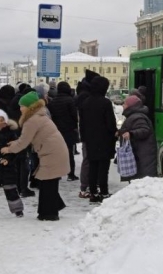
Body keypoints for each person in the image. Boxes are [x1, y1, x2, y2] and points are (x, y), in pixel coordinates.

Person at [2, 91, 70, 220]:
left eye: (22, 106)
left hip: (52, 154)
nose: (20, 108)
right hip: (53, 152)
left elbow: (23, 142)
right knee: (47, 182)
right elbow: (25, 139)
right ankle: (54, 206)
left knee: (47, 182)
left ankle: (49, 214)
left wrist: (9, 149)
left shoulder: (32, 120)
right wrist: (15, 143)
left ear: (29, 107)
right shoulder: (38, 116)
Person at [78, 75, 117, 204]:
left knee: (93, 166)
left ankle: (93, 192)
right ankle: (104, 192)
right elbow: (110, 123)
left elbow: (82, 123)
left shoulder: (85, 102)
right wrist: (114, 133)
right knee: (103, 168)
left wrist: (84, 137)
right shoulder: (105, 103)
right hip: (104, 139)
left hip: (90, 139)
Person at [119, 94, 159, 179]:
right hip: (140, 153)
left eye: (125, 104)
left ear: (131, 106)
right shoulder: (134, 116)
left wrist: (131, 134)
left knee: (142, 180)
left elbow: (144, 130)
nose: (123, 105)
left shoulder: (137, 116)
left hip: (142, 155)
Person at [47, 81, 80, 181]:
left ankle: (58, 173)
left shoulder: (53, 101)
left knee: (57, 152)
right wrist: (75, 125)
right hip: (69, 129)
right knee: (69, 152)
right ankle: (71, 174)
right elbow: (75, 116)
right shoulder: (70, 100)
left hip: (56, 130)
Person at [75, 69, 100, 198]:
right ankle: (85, 186)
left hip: (87, 132)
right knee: (88, 160)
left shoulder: (82, 93)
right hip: (89, 133)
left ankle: (88, 185)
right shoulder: (85, 95)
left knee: (89, 159)